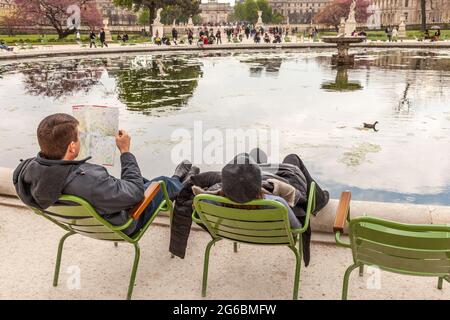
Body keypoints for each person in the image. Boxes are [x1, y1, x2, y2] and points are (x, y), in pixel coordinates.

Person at [13, 113, 197, 237]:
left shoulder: (26, 172)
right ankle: (180, 183)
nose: (80, 139)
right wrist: (125, 151)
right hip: (122, 224)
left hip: (84, 223)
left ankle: (179, 180)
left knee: (144, 181)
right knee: (161, 184)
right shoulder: (89, 180)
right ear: (72, 147)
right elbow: (135, 193)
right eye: (78, 137)